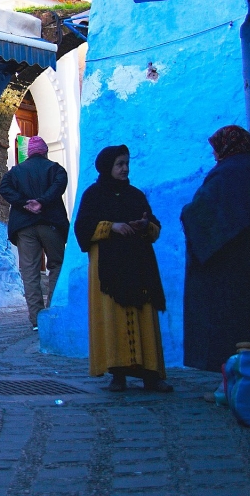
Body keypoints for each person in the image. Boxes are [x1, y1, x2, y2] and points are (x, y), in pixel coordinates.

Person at [74, 145, 172, 392]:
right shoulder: (93, 195)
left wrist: (145, 224)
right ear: (108, 167)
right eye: (119, 164)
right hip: (110, 268)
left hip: (140, 267)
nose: (125, 168)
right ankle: (117, 375)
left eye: (126, 163)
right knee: (113, 318)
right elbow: (83, 229)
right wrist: (111, 227)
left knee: (144, 318)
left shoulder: (135, 195)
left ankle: (151, 375)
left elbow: (155, 227)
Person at [181, 125, 250, 372]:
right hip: (249, 258)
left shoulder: (231, 171)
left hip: (227, 263)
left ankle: (231, 382)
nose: (214, 154)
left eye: (215, 148)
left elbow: (206, 213)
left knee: (227, 324)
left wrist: (188, 212)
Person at [0, 136, 70, 331]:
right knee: (56, 264)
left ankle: (37, 319)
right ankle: (53, 312)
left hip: (24, 226)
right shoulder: (55, 169)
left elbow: (4, 188)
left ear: (28, 154)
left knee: (29, 271)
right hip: (50, 223)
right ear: (45, 152)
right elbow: (59, 186)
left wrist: (24, 202)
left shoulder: (16, 172)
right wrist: (43, 201)